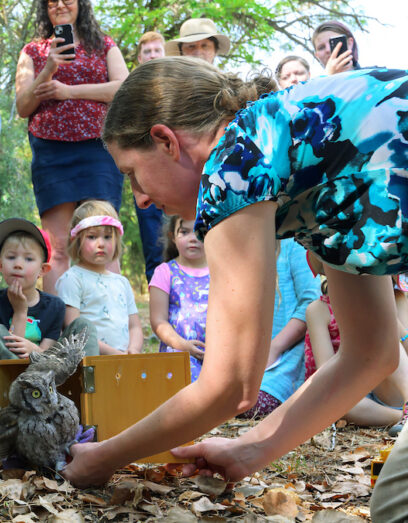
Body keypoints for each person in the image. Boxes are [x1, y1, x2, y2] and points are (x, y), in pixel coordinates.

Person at [60, 58, 408, 488]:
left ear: (166, 140)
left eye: (132, 173)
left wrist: (103, 457)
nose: (141, 199)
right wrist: (253, 448)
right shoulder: (308, 164)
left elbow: (230, 388)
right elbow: (370, 354)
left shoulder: (234, 162)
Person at [14, 0, 128, 293]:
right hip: (51, 152)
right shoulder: (33, 51)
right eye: (53, 1)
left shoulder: (103, 44)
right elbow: (23, 106)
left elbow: (124, 88)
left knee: (104, 235)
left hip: (98, 149)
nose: (60, 5)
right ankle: (58, 326)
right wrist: (48, 68)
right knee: (59, 246)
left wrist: (69, 92)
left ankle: (110, 323)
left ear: (81, 5)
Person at [0, 218, 97, 372]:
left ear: (43, 270)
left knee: (83, 325)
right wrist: (20, 311)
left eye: (28, 259)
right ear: (0, 265)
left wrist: (34, 350)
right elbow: (9, 352)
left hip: (47, 370)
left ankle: (88, 386)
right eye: (11, 257)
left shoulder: (54, 306)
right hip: (12, 376)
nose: (18, 264)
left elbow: (47, 353)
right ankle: (18, 390)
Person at [304, 257, 408, 429]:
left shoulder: (398, 299)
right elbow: (326, 373)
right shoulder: (318, 310)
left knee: (382, 336)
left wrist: (389, 321)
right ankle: (400, 418)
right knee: (339, 405)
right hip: (355, 392)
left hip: (393, 388)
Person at [238, 239, 320, 418]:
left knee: (247, 403)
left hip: (287, 356)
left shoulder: (293, 245)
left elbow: (311, 302)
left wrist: (274, 349)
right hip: (250, 358)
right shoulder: (242, 246)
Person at [56, 200, 142, 355]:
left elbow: (134, 326)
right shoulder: (72, 279)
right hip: (90, 363)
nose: (101, 243)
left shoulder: (122, 282)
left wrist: (134, 349)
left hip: (123, 361)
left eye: (108, 237)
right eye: (92, 237)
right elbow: (72, 328)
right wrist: (112, 354)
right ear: (76, 241)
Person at [148, 215, 208, 381]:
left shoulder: (219, 271)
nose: (193, 238)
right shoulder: (165, 272)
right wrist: (182, 345)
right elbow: (158, 321)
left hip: (215, 354)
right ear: (172, 236)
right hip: (178, 354)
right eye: (184, 232)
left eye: (200, 231)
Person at [134, 31, 166, 283]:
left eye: (157, 50)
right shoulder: (131, 92)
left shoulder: (180, 86)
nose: (153, 55)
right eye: (148, 51)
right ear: (139, 58)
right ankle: (159, 318)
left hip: (184, 176)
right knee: (154, 247)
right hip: (147, 179)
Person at [164, 18, 231, 64]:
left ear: (215, 51)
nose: (198, 52)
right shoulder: (168, 83)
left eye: (204, 46)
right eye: (191, 46)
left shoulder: (228, 84)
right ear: (181, 52)